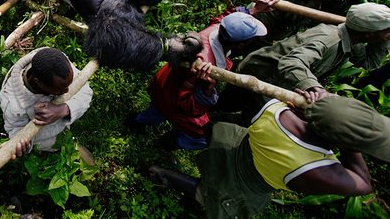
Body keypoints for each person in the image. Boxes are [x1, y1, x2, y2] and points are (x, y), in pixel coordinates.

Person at [149, 92, 388, 219]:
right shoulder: (315, 170)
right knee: (208, 193)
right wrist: (351, 144)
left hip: (231, 143)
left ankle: (164, 142)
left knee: (203, 139)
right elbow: (364, 184)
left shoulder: (277, 109)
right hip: (244, 184)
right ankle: (160, 174)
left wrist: (325, 110)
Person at [129, 12, 268, 150]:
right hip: (171, 97)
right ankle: (166, 143)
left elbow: (221, 18)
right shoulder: (206, 67)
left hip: (164, 79)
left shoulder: (215, 29)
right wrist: (207, 89)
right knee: (202, 136)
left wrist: (253, 10)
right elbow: (185, 104)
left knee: (154, 112)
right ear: (242, 44)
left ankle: (138, 121)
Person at [238, 2, 390, 107]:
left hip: (274, 78)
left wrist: (383, 38)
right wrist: (315, 89)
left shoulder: (351, 39)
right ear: (369, 35)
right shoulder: (328, 40)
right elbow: (291, 62)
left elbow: (369, 63)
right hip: (258, 74)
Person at [0, 47, 93, 155]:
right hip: (46, 146)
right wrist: (24, 146)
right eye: (61, 88)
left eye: (68, 85)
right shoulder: (12, 104)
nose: (67, 90)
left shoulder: (56, 62)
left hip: (64, 131)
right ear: (38, 82)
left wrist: (63, 109)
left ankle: (69, 141)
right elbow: (16, 134)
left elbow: (86, 91)